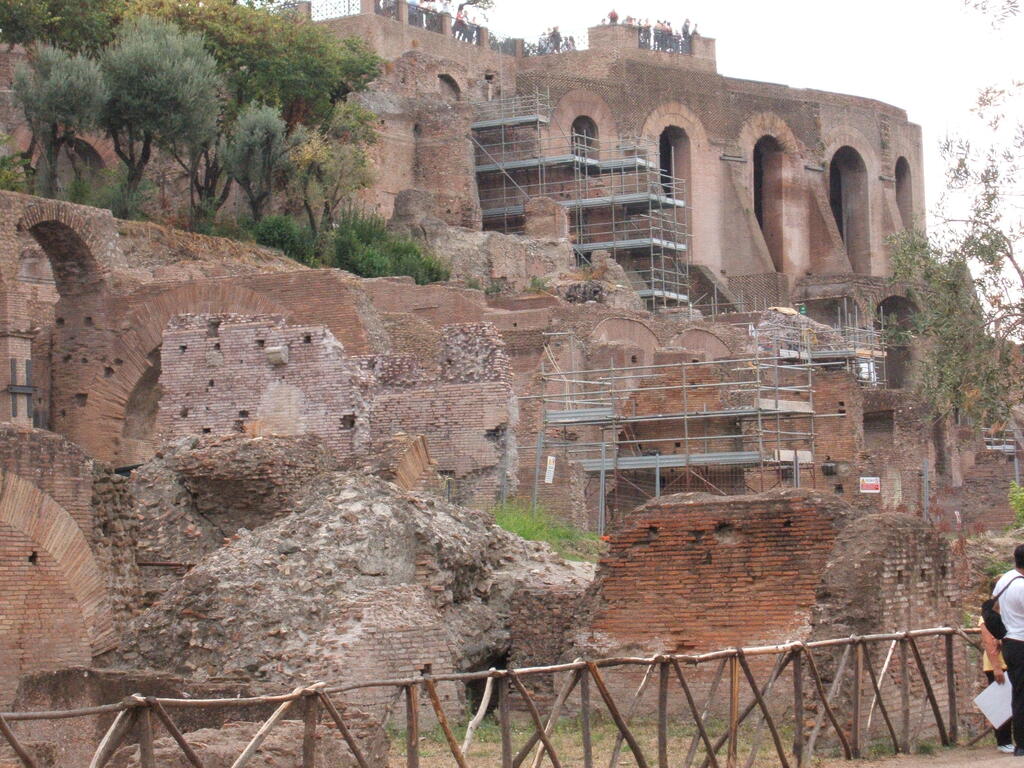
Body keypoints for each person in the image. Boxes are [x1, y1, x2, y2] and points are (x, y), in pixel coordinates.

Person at [994, 545, 1024, 756]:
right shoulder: (1021, 586)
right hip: (1022, 642)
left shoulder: (1005, 579)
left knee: (1019, 694)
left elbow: (994, 607)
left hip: (1009, 642)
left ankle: (1020, 742)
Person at [982, 612, 1014, 752]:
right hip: (998, 666)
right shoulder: (987, 616)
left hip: (1013, 662)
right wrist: (997, 667)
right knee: (1002, 704)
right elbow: (989, 642)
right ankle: (1003, 740)